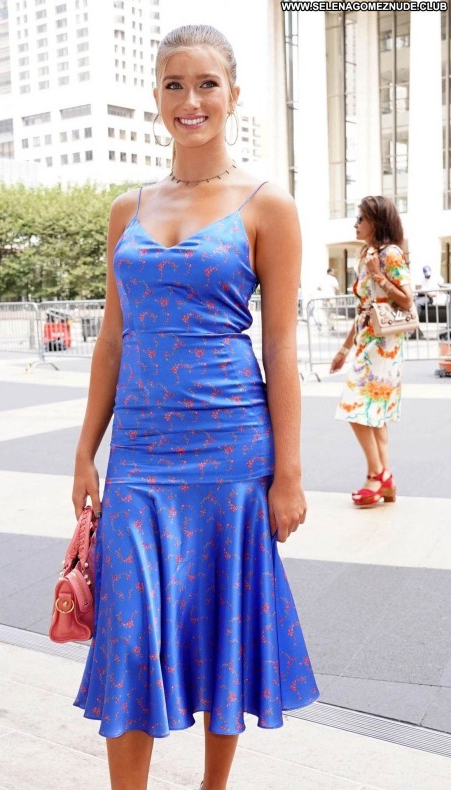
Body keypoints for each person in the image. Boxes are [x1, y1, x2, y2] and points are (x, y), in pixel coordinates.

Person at [71, 24, 318, 790]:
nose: (191, 100)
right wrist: (85, 451)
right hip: (140, 456)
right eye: (174, 85)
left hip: (232, 451)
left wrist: (288, 474)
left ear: (233, 94)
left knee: (223, 621)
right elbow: (112, 339)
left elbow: (281, 349)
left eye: (207, 83)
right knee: (128, 633)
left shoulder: (269, 206)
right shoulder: (128, 208)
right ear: (156, 97)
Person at [330, 196, 414, 508]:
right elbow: (363, 308)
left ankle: (376, 474)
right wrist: (344, 348)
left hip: (385, 344)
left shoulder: (390, 254)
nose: (356, 224)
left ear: (376, 222)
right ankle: (385, 478)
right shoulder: (367, 254)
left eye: (360, 219)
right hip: (368, 339)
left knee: (353, 405)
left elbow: (407, 299)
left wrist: (378, 275)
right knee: (375, 414)